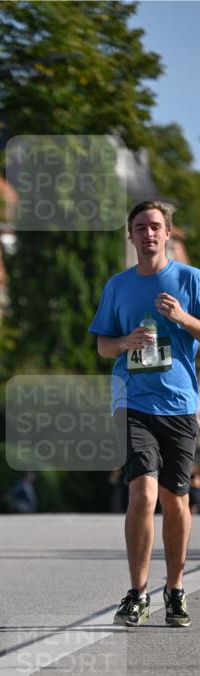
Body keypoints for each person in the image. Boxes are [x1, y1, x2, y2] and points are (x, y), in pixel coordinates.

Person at [91, 199, 200, 628]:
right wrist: (126, 343)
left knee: (177, 501)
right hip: (133, 401)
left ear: (168, 233)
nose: (148, 234)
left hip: (180, 404)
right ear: (131, 235)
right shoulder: (118, 286)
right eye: (140, 227)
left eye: (155, 226)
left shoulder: (190, 279)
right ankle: (137, 592)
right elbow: (102, 344)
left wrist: (183, 317)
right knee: (143, 495)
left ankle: (174, 589)